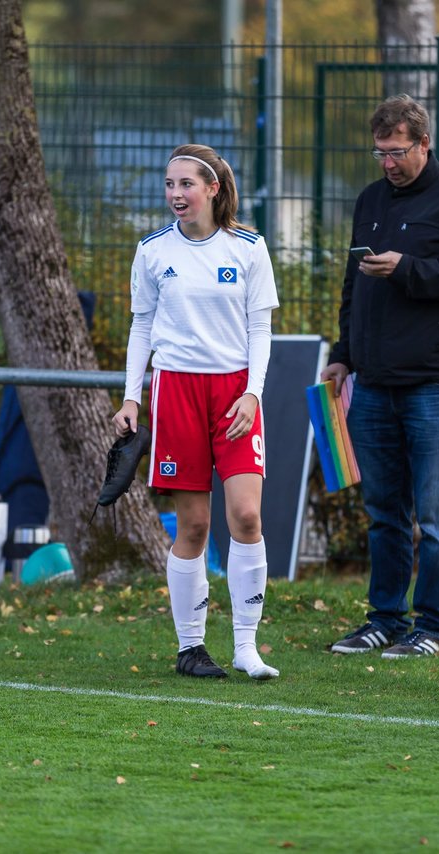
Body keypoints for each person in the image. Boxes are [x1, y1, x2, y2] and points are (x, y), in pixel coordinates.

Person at [322, 94, 439, 659]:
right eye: (379, 153)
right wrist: (343, 352)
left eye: (397, 152)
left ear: (424, 143)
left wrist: (408, 269)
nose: (387, 164)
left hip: (434, 383)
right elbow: (354, 287)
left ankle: (436, 626)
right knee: (383, 513)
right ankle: (385, 618)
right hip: (371, 382)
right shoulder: (371, 199)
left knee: (438, 515)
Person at [112, 143, 280, 680]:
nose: (176, 194)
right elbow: (141, 326)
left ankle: (247, 648)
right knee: (195, 524)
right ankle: (191, 649)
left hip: (233, 392)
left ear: (213, 188)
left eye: (187, 184)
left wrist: (253, 393)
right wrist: (131, 397)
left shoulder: (249, 248)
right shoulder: (153, 251)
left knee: (247, 516)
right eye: (170, 185)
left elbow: (260, 330)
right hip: (176, 389)